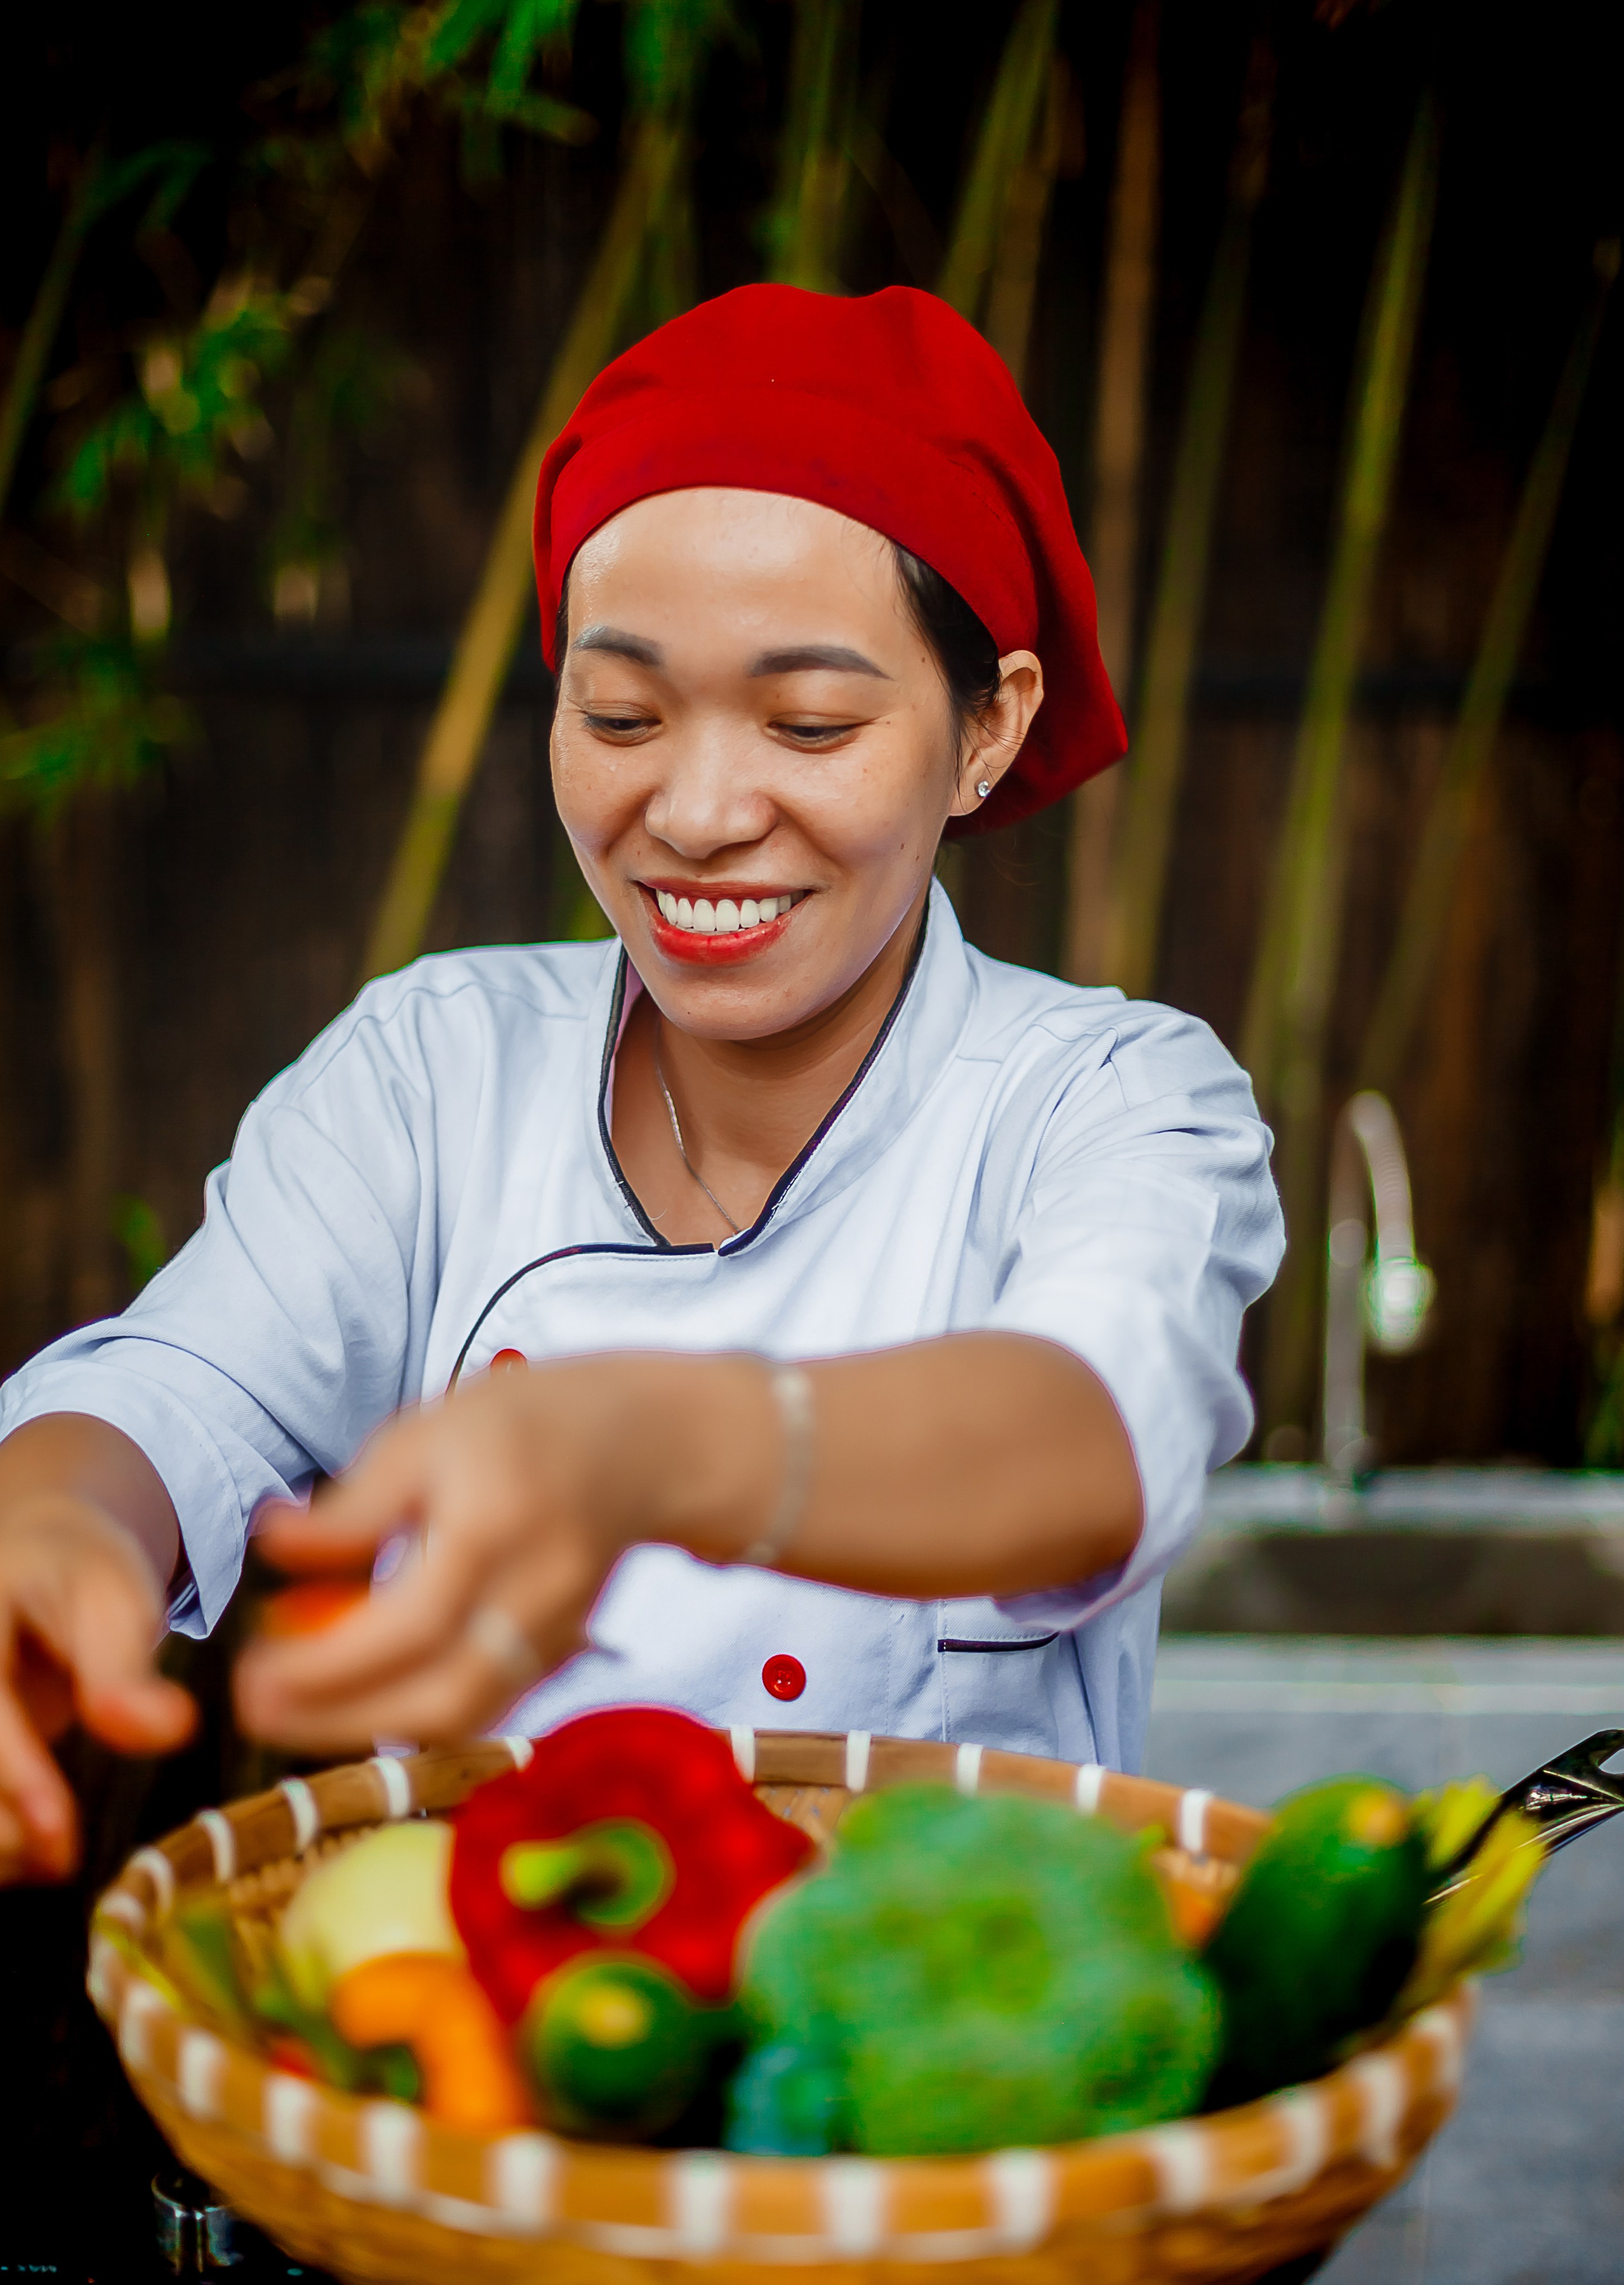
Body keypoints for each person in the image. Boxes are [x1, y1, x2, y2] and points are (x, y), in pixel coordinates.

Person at [0, 285, 1283, 1884]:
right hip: (489, 2064)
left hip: (935, 2081)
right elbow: (180, 1388)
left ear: (983, 730)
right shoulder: (437, 1071)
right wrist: (54, 1530)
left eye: (807, 721)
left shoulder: (1103, 1096)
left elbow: (1095, 1433)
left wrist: (648, 1451)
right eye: (620, 712)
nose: (692, 808)